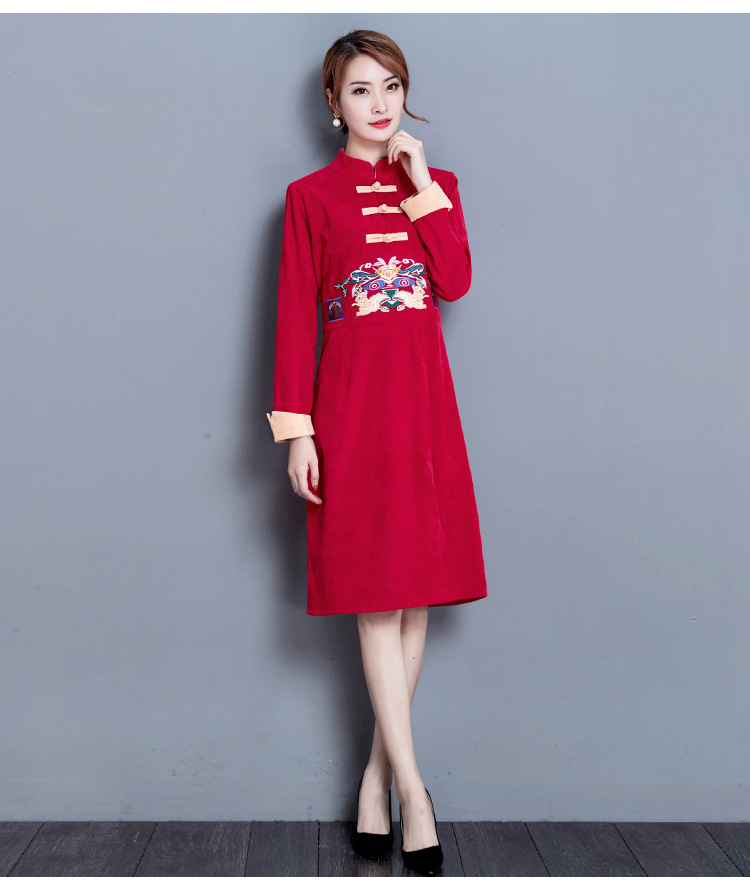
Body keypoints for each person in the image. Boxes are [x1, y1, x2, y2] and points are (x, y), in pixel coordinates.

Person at [266, 29, 488, 876]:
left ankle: (373, 780)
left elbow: (455, 279)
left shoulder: (440, 185)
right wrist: (299, 430)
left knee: (415, 591)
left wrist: (421, 183)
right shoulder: (309, 198)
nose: (380, 103)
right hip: (351, 412)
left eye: (391, 86)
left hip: (425, 407)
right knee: (375, 598)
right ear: (334, 104)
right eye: (361, 89)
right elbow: (295, 318)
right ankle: (416, 793)